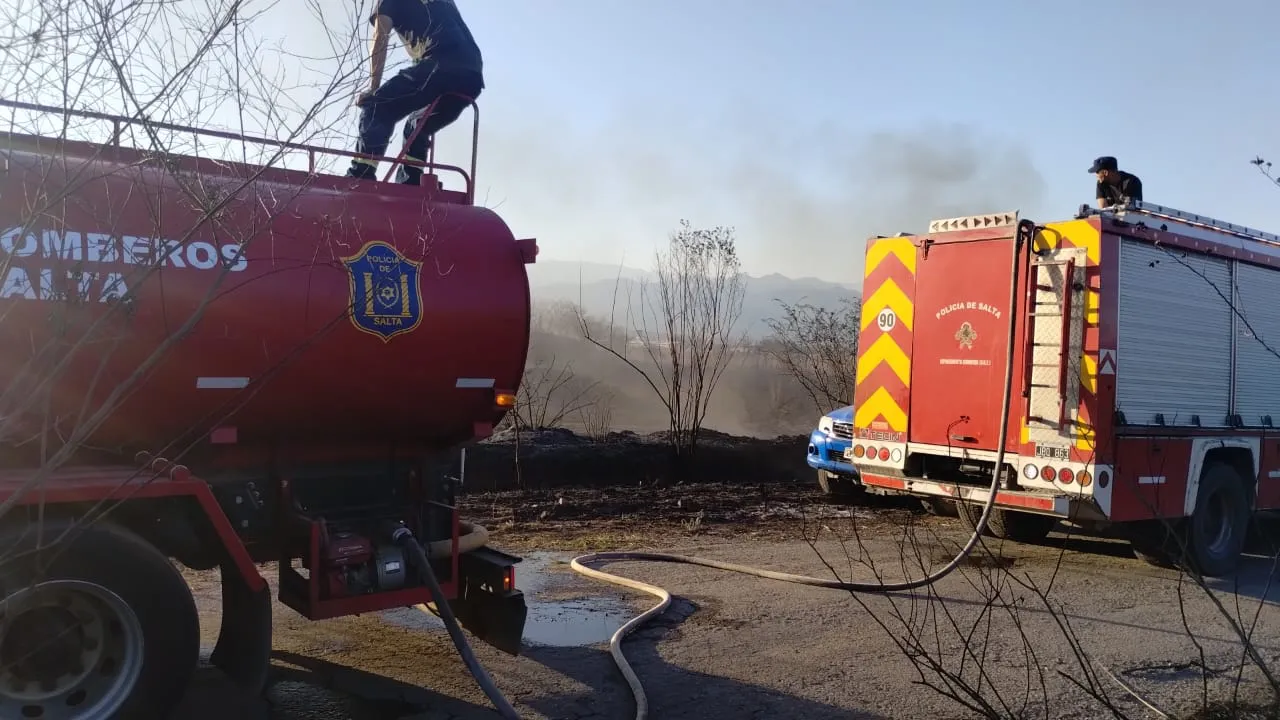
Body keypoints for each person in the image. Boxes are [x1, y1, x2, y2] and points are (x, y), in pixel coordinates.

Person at [346, 0, 484, 185]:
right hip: (472, 75)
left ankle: (360, 176)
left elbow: (380, 36)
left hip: (439, 65)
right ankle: (412, 181)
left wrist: (374, 88)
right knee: (417, 125)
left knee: (377, 105)